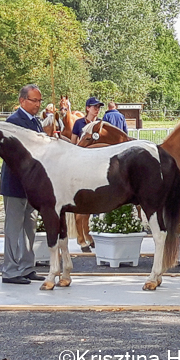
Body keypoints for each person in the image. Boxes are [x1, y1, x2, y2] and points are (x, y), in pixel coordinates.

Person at [0, 84, 48, 285]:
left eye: (39, 100)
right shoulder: (14, 122)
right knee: (13, 228)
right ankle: (10, 270)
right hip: (16, 182)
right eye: (33, 100)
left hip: (32, 184)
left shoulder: (36, 122)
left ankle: (27, 267)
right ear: (22, 101)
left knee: (30, 226)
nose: (37, 105)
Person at [70, 96, 104, 252]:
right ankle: (80, 237)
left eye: (98, 107)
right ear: (87, 108)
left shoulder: (102, 124)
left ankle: (88, 234)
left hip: (96, 165)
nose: (96, 109)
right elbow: (73, 143)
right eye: (94, 106)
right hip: (81, 164)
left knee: (91, 203)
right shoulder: (79, 123)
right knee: (81, 203)